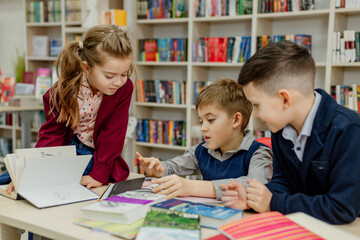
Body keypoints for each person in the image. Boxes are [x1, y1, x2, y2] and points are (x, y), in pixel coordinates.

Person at [220, 41, 360, 224]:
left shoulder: (348, 129)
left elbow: (342, 207)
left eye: (256, 105)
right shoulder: (281, 127)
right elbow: (282, 182)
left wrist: (272, 202)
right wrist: (252, 200)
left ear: (285, 99)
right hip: (304, 225)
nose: (255, 114)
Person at [4, 25, 134, 193]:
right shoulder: (63, 90)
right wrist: (32, 169)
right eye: (109, 76)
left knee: (61, 181)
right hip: (66, 149)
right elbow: (52, 133)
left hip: (97, 154)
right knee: (13, 176)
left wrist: (99, 174)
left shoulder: (124, 89)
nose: (118, 82)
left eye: (125, 74)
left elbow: (113, 134)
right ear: (87, 68)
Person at [136, 78, 273, 200]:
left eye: (211, 120)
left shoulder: (259, 153)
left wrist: (193, 187)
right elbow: (173, 167)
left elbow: (256, 185)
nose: (203, 128)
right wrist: (157, 170)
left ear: (236, 119)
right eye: (201, 121)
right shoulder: (201, 151)